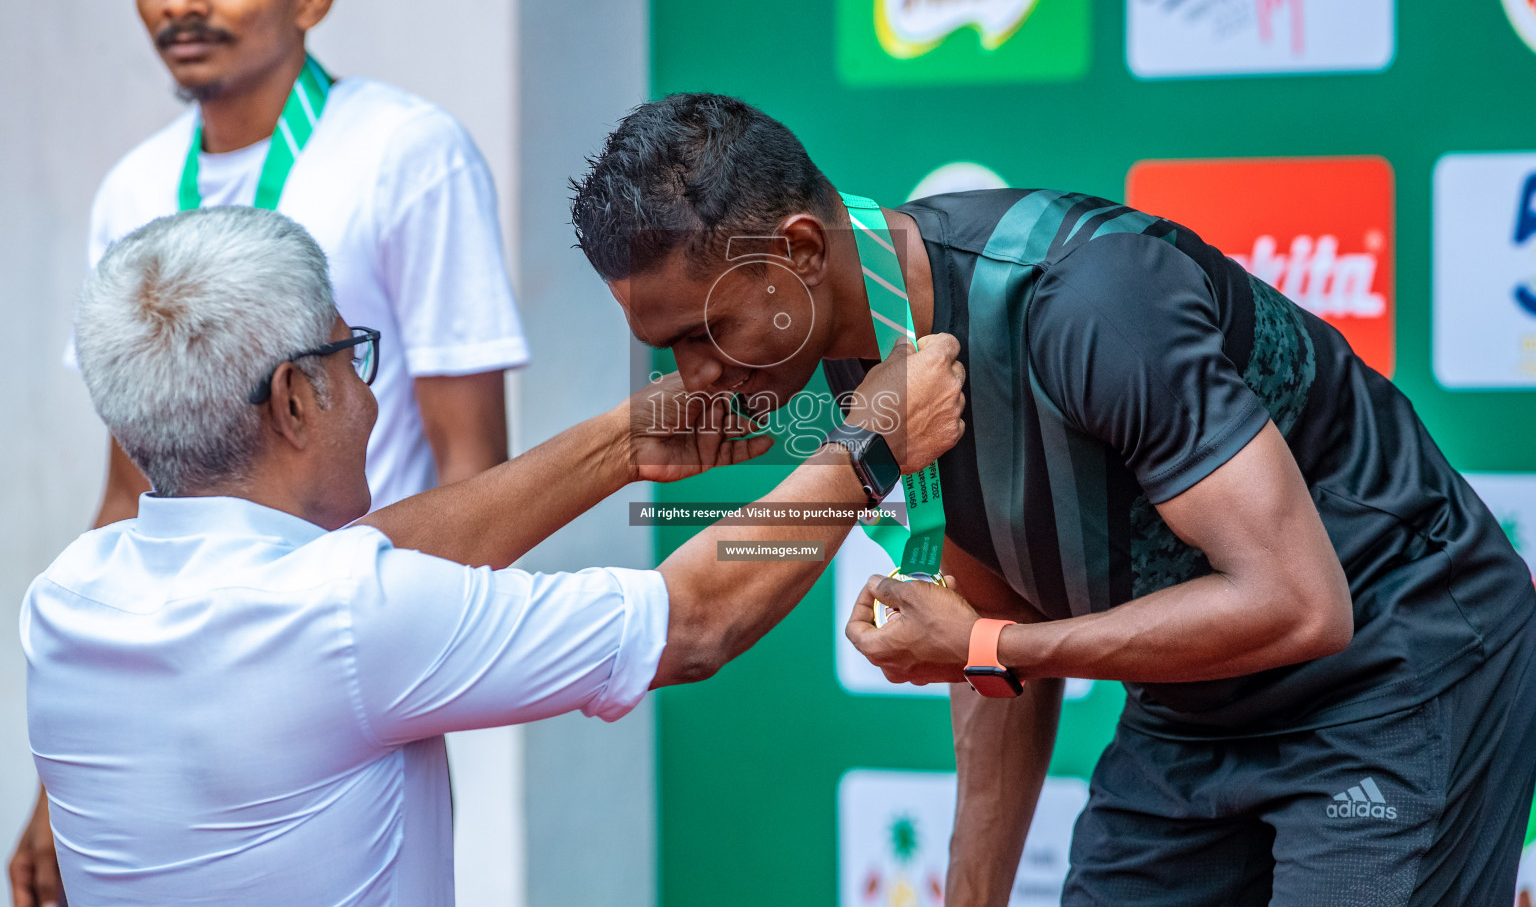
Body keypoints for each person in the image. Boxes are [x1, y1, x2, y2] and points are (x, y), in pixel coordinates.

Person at [569, 92, 1536, 906]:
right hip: (1201, 699)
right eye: (671, 348)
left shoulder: (1090, 302)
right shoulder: (863, 351)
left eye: (708, 331)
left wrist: (992, 647)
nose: (694, 377)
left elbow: (1299, 604)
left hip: (1399, 669)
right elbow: (991, 634)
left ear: (800, 251)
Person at [20, 206, 966, 905]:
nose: (370, 394)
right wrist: (871, 444)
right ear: (295, 400)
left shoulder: (66, 602)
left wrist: (617, 446)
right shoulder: (346, 620)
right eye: (353, 357)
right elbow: (695, 622)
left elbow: (351, 565)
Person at [10, 0, 529, 902]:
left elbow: (476, 465)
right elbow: (128, 493)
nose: (181, 1)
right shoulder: (133, 190)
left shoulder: (408, 157)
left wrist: (387, 635)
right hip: (159, 694)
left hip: (342, 668)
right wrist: (53, 785)